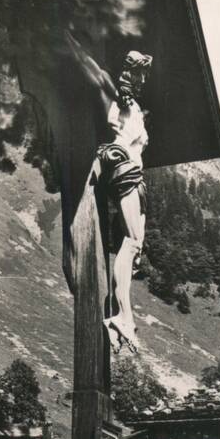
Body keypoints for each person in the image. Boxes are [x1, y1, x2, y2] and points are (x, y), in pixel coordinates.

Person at [65, 31, 152, 353]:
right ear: (125, 71)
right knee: (131, 242)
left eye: (143, 72)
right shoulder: (115, 98)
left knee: (136, 247)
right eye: (136, 71)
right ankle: (121, 316)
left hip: (134, 174)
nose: (140, 78)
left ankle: (123, 316)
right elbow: (92, 70)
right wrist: (68, 37)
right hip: (124, 170)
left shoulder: (136, 108)